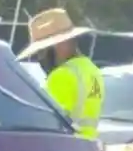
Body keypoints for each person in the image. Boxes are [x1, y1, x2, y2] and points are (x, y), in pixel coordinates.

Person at [20, 7, 103, 140]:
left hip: (67, 147)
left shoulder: (61, 75)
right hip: (89, 146)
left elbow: (48, 122)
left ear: (59, 45)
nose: (40, 57)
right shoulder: (92, 69)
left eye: (42, 50)